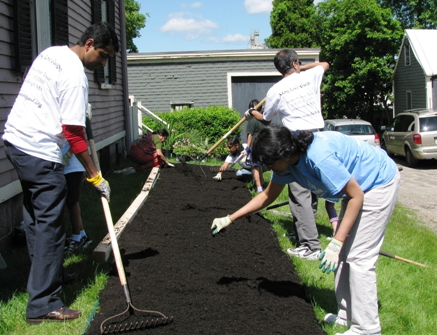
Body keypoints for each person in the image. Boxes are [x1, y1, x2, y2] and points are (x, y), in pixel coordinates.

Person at [211, 126, 400, 335]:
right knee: (345, 257)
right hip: (356, 190)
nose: (270, 168)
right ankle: (347, 315)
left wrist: (336, 242)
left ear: (283, 154)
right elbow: (267, 196)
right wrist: (230, 218)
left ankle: (367, 328)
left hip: (377, 184)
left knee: (358, 258)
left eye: (271, 163)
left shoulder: (319, 157)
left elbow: (357, 196)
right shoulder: (287, 163)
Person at [3, 22, 118, 324]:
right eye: (103, 56)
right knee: (51, 228)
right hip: (39, 152)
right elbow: (74, 134)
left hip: (15, 142)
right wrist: (95, 176)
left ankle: (46, 276)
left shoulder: (51, 54)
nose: (103, 63)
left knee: (34, 217)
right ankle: (42, 303)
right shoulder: (75, 76)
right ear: (89, 43)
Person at [245, 48, 329, 260]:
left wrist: (254, 114)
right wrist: (302, 68)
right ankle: (304, 234)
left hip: (295, 142)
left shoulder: (275, 90)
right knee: (309, 189)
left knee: (299, 193)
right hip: (317, 138)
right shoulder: (311, 75)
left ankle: (310, 246)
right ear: (294, 64)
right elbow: (325, 64)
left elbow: (267, 119)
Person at [62, 111, 93, 254]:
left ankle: (77, 236)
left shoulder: (71, 115)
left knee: (72, 201)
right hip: (60, 166)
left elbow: (76, 139)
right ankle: (81, 235)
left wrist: (66, 158)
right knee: (66, 202)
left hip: (72, 167)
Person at [246, 99, 266, 193]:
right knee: (259, 166)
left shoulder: (252, 120)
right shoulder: (264, 118)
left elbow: (250, 135)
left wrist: (248, 147)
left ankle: (259, 188)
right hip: (265, 145)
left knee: (255, 167)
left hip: (256, 146)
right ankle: (261, 184)